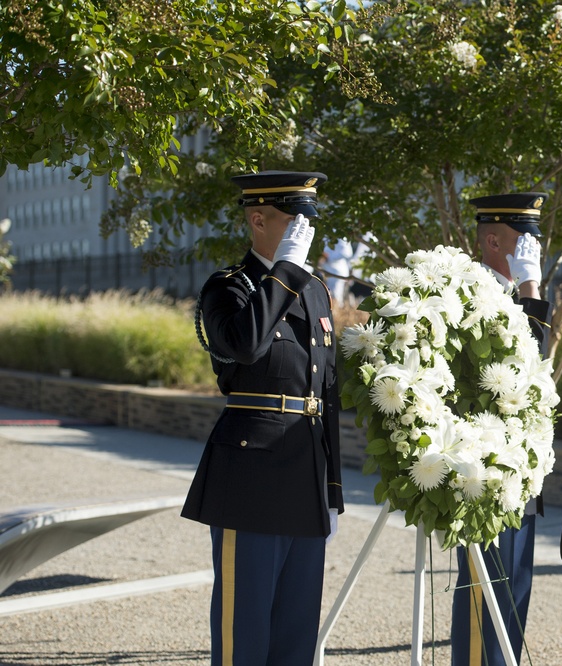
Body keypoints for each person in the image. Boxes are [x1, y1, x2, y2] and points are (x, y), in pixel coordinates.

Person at [182, 170, 344, 665]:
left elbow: (326, 391)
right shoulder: (228, 289)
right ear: (257, 219)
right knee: (244, 633)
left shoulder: (314, 289)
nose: (304, 230)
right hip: (249, 478)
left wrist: (332, 488)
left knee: (296, 638)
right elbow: (246, 346)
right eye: (294, 219)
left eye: (308, 221)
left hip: (304, 477)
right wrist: (285, 272)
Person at [451, 192, 553, 666]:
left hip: (520, 474)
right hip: (487, 475)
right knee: (484, 605)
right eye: (524, 239)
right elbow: (517, 367)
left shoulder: (517, 295)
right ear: (493, 240)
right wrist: (531, 291)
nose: (532, 249)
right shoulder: (473, 294)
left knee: (513, 606)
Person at [320, 238, 354, 304]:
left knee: (336, 299)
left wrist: (329, 257)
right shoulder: (326, 232)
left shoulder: (341, 235)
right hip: (327, 272)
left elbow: (347, 253)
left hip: (337, 273)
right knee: (327, 298)